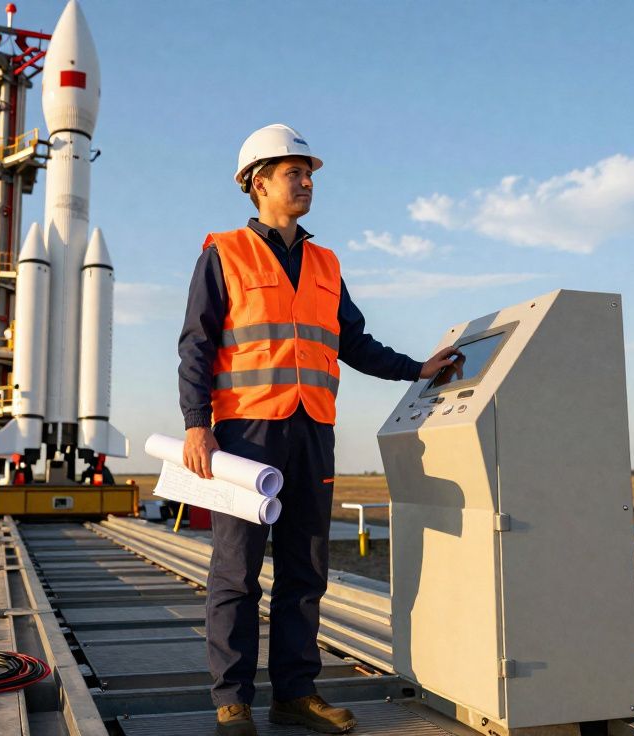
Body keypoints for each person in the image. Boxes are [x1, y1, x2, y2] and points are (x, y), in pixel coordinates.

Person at [178, 124, 462, 736]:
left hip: (313, 430)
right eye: (294, 172)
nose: (307, 181)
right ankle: (232, 701)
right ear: (258, 182)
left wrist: (416, 368)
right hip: (246, 434)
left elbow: (353, 341)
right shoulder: (223, 253)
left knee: (306, 569)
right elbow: (197, 346)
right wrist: (196, 426)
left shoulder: (326, 262)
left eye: (309, 173)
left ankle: (295, 694)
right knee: (237, 572)